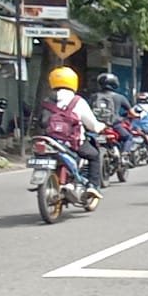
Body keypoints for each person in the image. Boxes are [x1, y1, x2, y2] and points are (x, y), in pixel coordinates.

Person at [41, 66, 104, 200]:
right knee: (94, 155)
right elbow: (91, 124)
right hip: (73, 142)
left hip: (49, 142)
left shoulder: (46, 101)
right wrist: (100, 127)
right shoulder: (77, 101)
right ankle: (93, 186)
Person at [93, 74, 134, 155]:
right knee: (128, 137)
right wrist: (138, 116)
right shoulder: (120, 97)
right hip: (114, 125)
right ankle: (125, 154)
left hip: (96, 125)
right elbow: (132, 113)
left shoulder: (94, 96)